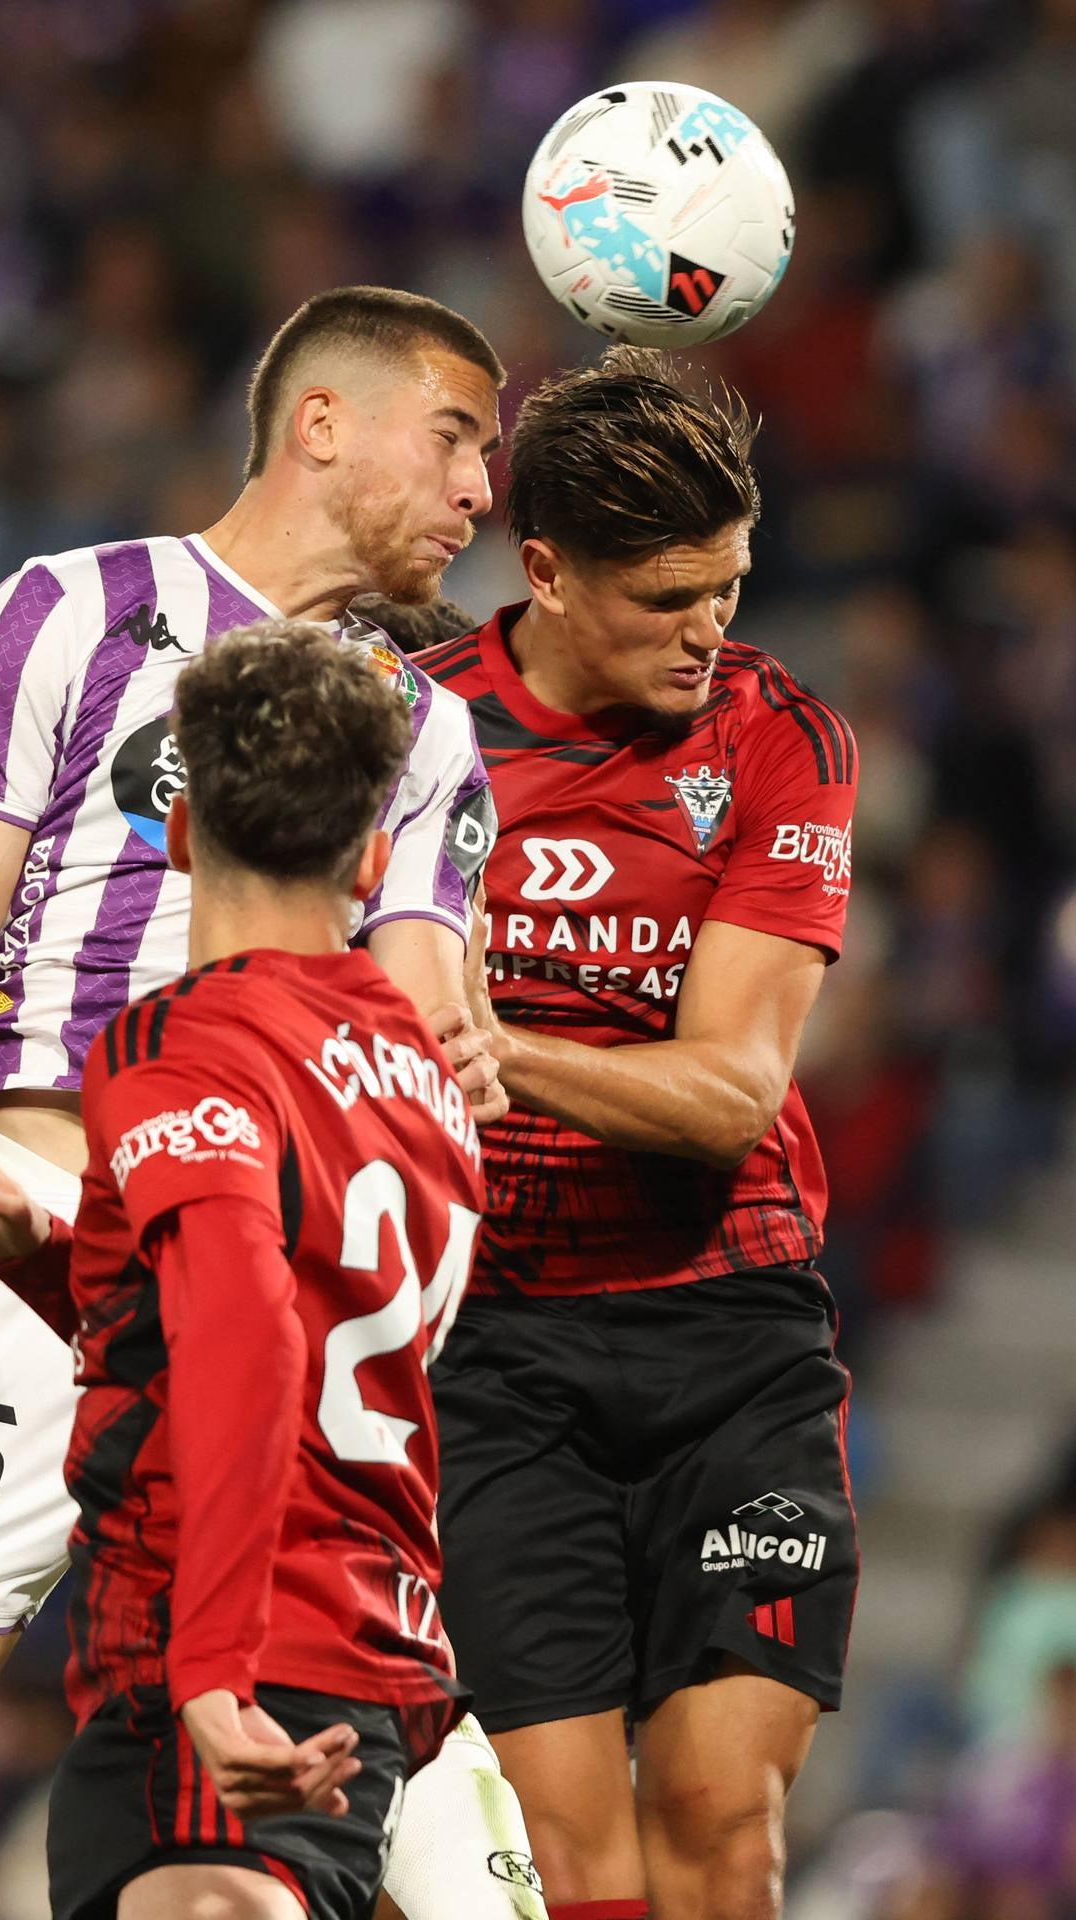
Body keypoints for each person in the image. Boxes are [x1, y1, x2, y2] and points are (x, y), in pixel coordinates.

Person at [0, 287, 535, 1920]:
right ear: (323, 423)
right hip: (35, 1258)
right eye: (456, 440)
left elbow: (421, 1003)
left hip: (281, 1304)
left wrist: (468, 1050)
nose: (479, 493)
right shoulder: (71, 614)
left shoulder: (431, 732)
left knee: (356, 1821)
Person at [0, 626, 490, 1920]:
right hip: (383, 1640)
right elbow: (305, 1307)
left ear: (180, 829)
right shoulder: (425, 1069)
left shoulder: (180, 1047)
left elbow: (251, 1337)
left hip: (228, 1649)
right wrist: (49, 1256)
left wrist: (208, 1674)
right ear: (372, 858)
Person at [414, 347, 861, 1920]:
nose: (709, 631)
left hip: (730, 1336)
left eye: (729, 586)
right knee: (564, 1864)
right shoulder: (410, 735)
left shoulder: (778, 741)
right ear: (543, 569)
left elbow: (731, 1092)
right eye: (668, 596)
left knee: (719, 1826)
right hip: (495, 1351)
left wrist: (497, 1048)